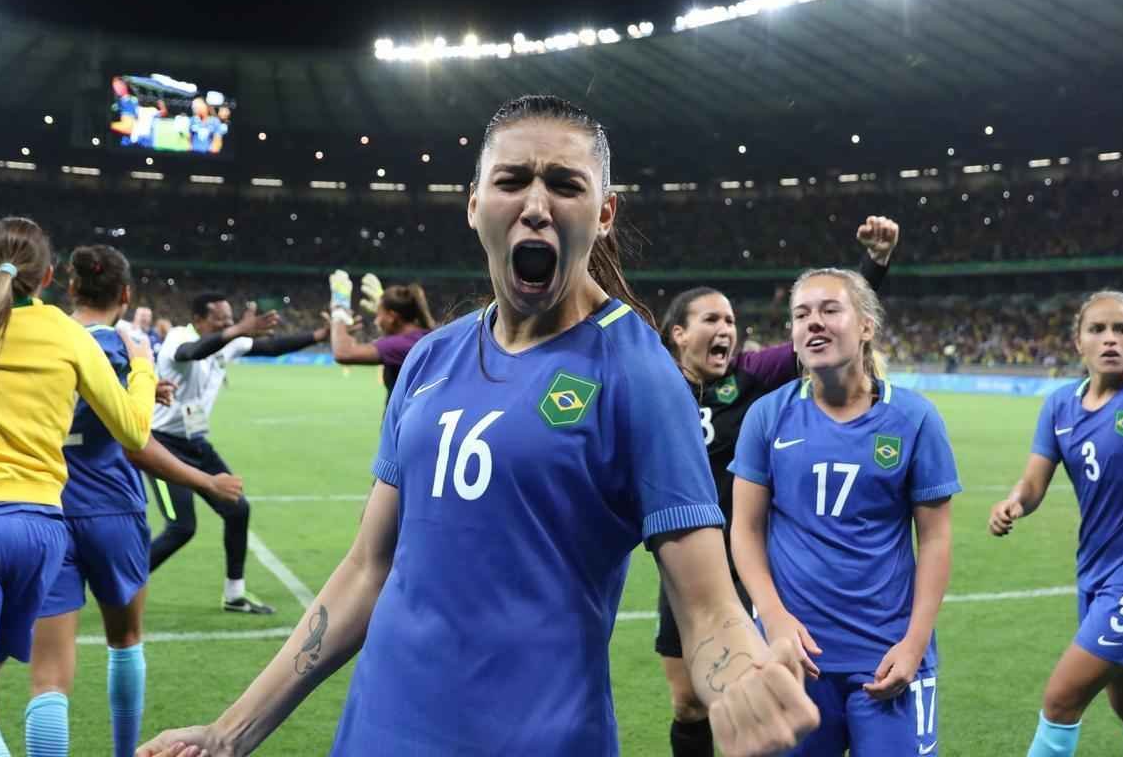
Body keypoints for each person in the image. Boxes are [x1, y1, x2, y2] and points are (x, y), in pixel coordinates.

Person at [136, 95, 819, 757]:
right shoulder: (431, 358)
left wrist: (738, 674)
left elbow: (705, 607)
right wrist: (231, 733)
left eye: (565, 185)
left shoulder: (639, 374)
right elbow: (368, 569)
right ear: (474, 205)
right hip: (377, 734)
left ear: (605, 213)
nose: (536, 205)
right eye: (512, 180)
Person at [656, 222, 898, 757]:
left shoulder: (749, 374)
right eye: (712, 319)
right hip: (683, 562)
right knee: (688, 703)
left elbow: (822, 336)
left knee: (757, 695)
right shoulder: (653, 385)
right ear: (678, 334)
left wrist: (874, 266)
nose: (726, 329)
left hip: (749, 562)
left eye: (730, 321)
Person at [24, 246, 244, 757]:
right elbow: (134, 440)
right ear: (125, 294)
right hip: (113, 510)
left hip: (50, 507)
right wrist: (207, 482)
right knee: (124, 643)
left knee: (48, 678)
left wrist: (145, 389)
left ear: (70, 287)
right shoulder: (126, 344)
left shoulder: (46, 337)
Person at [730, 267, 960, 756]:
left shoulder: (915, 418)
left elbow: (936, 540)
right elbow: (745, 531)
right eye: (801, 314)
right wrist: (773, 617)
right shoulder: (767, 416)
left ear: (866, 326)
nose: (813, 322)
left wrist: (915, 644)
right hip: (796, 657)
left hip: (888, 656)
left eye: (830, 310)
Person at [0, 217, 156, 757]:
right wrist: (142, 370)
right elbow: (133, 431)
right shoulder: (69, 335)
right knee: (103, 649)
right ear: (48, 276)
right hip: (42, 527)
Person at [989, 290, 1123, 757]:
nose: (1110, 339)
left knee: (1062, 699)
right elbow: (1034, 481)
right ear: (1078, 342)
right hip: (1095, 572)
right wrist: (1014, 502)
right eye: (1098, 329)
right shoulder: (1060, 406)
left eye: (1122, 329)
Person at [146, 293, 328, 614]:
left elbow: (271, 348)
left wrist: (318, 335)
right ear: (199, 320)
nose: (229, 325)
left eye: (231, 320)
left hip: (196, 442)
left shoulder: (228, 342)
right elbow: (192, 352)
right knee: (181, 528)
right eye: (221, 320)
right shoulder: (179, 336)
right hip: (161, 446)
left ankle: (234, 595)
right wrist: (236, 331)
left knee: (237, 510)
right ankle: (121, 582)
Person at [328, 272, 434, 400]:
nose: (376, 321)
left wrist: (340, 307)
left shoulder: (402, 344)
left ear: (392, 316)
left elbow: (343, 353)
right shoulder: (423, 336)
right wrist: (385, 305)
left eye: (379, 315)